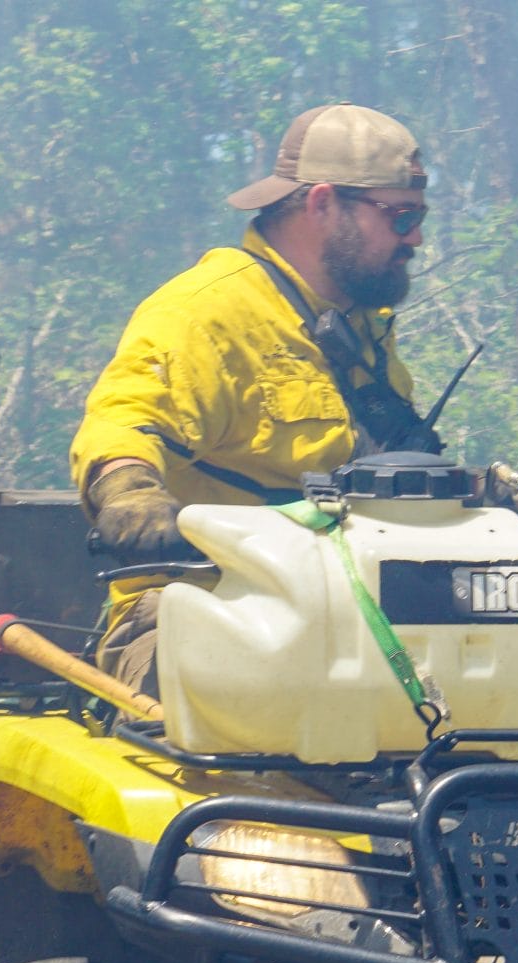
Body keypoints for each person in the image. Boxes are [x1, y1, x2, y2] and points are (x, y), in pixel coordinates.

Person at [68, 101, 434, 689]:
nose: (415, 236)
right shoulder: (206, 312)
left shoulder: (364, 328)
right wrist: (130, 496)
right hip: (198, 612)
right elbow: (124, 422)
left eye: (419, 216)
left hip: (344, 620)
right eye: (400, 216)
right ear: (322, 204)